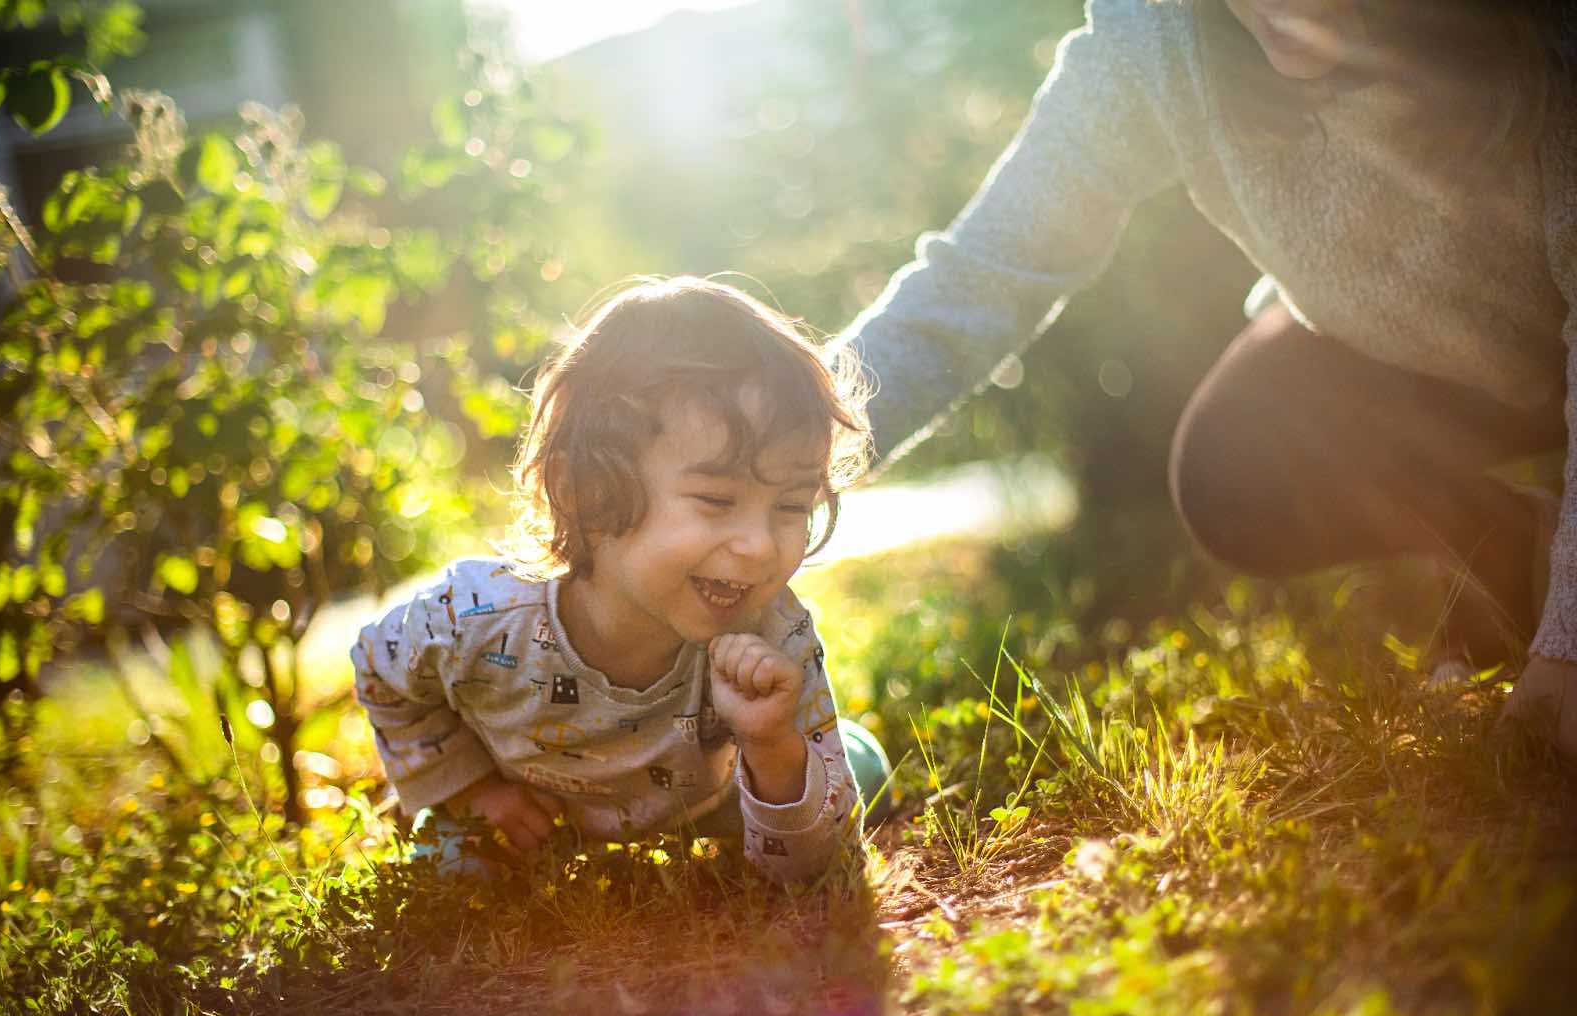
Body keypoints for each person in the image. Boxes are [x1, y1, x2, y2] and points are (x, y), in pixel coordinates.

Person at [834, 0, 1577, 755]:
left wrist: (1566, 649)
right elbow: (983, 275)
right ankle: (1521, 553)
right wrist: (788, 445)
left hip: (1555, 336)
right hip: (1407, 353)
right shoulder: (1158, 37)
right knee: (1234, 461)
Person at [350, 276, 890, 882]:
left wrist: (771, 748)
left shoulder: (773, 640)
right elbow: (380, 665)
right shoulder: (474, 618)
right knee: (449, 865)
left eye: (791, 507)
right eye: (716, 500)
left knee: (848, 778)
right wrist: (469, 789)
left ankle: (848, 750)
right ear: (586, 493)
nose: (760, 545)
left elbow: (822, 873)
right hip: (539, 817)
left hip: (714, 806)